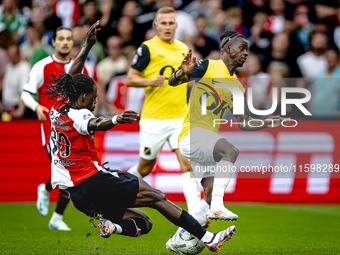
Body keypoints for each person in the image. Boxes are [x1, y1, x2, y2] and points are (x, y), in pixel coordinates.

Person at [46, 23, 237, 253]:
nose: (95, 102)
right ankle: (208, 238)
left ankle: (112, 227)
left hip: (78, 197)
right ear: (84, 97)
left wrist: (88, 46)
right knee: (157, 197)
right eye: (93, 98)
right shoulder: (81, 114)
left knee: (144, 223)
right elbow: (94, 123)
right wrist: (116, 119)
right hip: (94, 180)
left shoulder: (58, 107)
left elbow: (71, 76)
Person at [167, 31, 289, 250]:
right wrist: (180, 73)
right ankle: (218, 207)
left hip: (206, 139)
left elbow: (244, 123)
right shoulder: (207, 66)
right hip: (193, 133)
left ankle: (179, 238)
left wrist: (267, 122)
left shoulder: (238, 87)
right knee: (230, 152)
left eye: (247, 50)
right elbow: (172, 82)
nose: (246, 54)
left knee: (211, 190)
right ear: (227, 49)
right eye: (241, 48)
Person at [126, 7, 201, 216]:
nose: (167, 27)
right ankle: (117, 191)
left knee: (187, 163)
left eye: (171, 23)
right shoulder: (147, 48)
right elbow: (131, 78)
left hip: (180, 117)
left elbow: (185, 82)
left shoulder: (183, 48)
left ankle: (196, 215)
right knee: (144, 168)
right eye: (164, 23)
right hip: (154, 119)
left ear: (176, 25)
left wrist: (192, 80)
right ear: (156, 25)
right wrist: (150, 81)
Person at [20, 24, 90, 231]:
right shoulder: (42, 66)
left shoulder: (79, 67)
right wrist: (37, 105)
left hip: (73, 129)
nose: (65, 42)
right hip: (51, 131)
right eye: (61, 38)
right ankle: (56, 215)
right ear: (54, 41)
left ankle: (47, 192)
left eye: (69, 38)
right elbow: (26, 93)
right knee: (67, 173)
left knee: (68, 173)